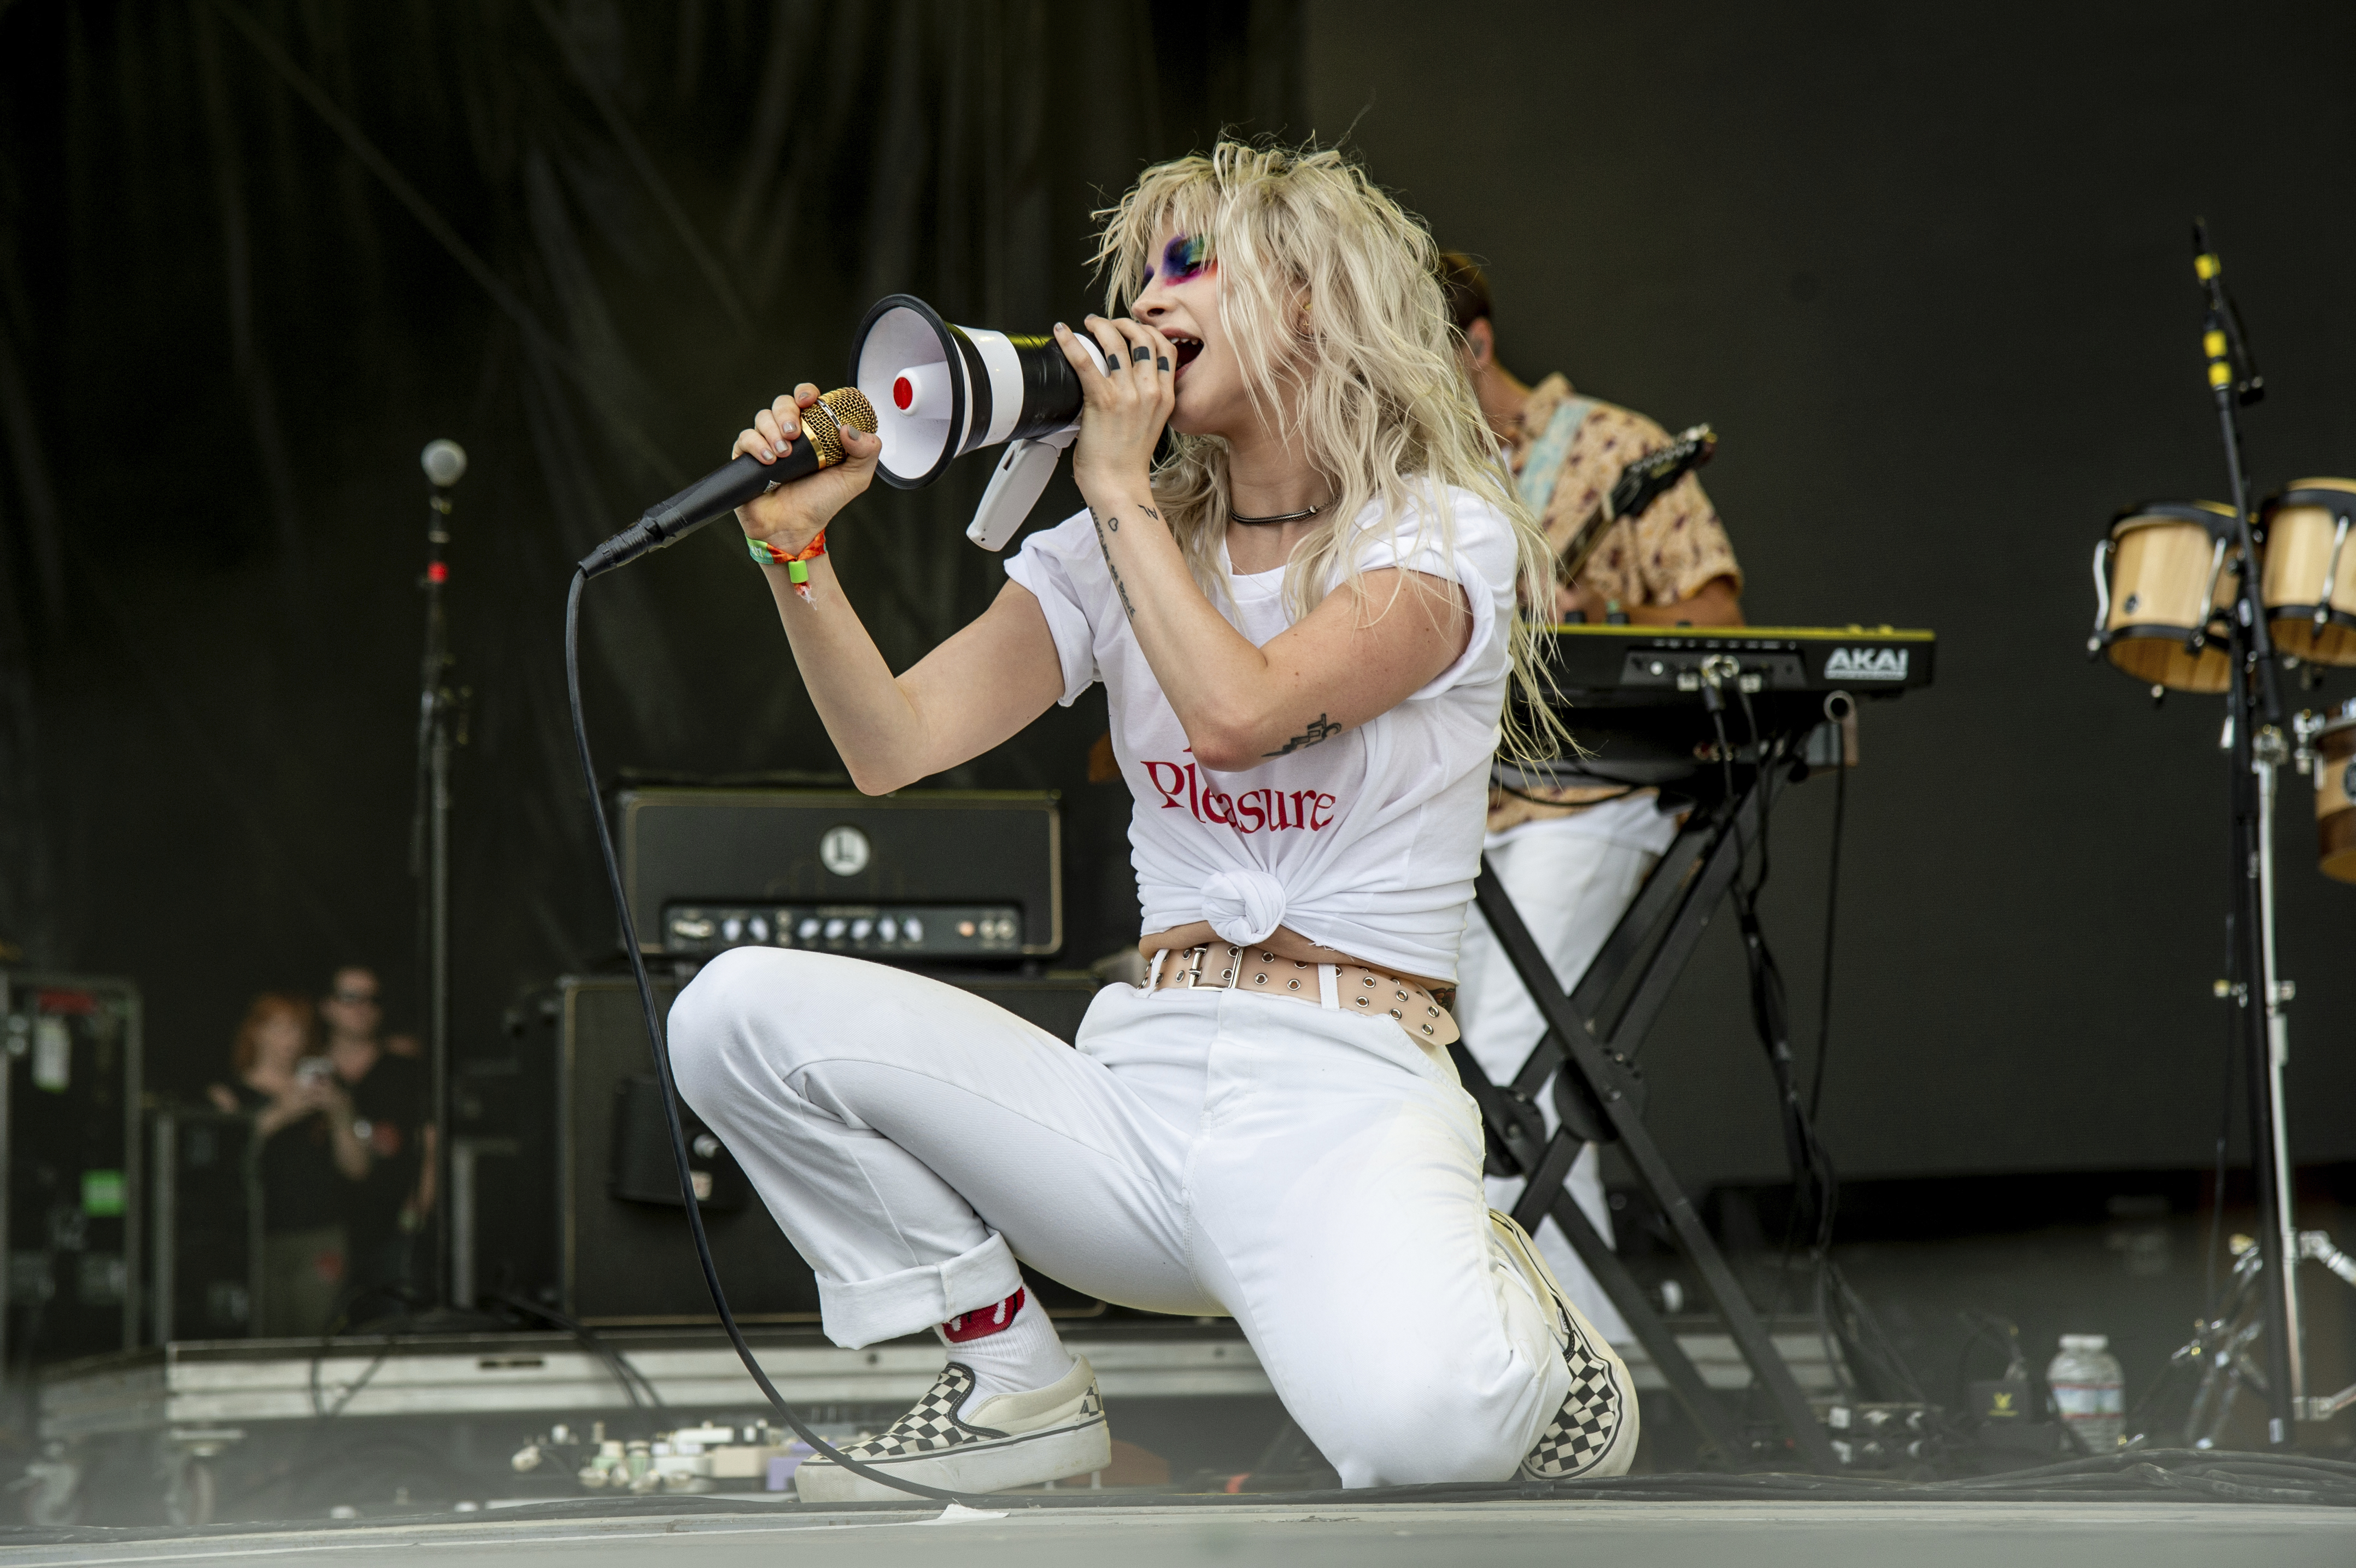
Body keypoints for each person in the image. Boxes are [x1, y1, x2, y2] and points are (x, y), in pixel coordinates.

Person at [666, 142, 1639, 1499]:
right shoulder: (1104, 549)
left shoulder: (1438, 538)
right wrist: (792, 552)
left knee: (1427, 1441)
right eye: (1137, 272)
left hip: (1344, 1100)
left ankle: (1513, 1326)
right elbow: (891, 746)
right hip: (1138, 1090)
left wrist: (1118, 493)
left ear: (1311, 300)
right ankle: (1012, 1382)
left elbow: (1240, 712)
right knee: (730, 1010)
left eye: (1190, 262)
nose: (1147, 299)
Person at [1438, 251, 1746, 1341]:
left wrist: (1597, 619)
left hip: (1592, 792)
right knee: (1443, 1076)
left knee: (1516, 1049)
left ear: (1474, 346)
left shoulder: (1614, 448)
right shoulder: (1416, 472)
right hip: (1459, 817)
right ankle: (1498, 1343)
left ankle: (1576, 1350)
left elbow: (1715, 623)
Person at [207, 993, 368, 1337]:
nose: (290, 1039)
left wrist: (341, 1113)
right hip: (257, 1236)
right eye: (280, 1028)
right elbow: (224, 1162)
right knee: (264, 1337)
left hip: (318, 1232)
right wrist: (283, 1112)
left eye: (298, 1030)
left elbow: (357, 1169)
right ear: (257, 1032)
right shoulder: (230, 1094)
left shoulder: (325, 1090)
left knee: (315, 1331)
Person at [319, 967, 433, 1324]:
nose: (363, 1007)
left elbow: (432, 1144)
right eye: (350, 997)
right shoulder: (310, 1072)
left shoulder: (403, 1069)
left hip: (392, 1229)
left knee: (393, 1333)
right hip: (322, 1231)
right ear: (327, 1006)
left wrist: (418, 1208)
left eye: (373, 999)